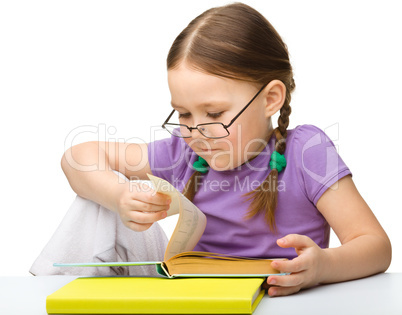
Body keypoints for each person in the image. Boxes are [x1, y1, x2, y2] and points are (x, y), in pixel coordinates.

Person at [31, 2, 391, 296]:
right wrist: (120, 195)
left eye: (214, 113)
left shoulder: (306, 151)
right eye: (184, 113)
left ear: (271, 99)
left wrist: (322, 267)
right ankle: (46, 297)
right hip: (189, 294)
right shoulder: (184, 152)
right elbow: (77, 157)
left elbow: (375, 245)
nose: (195, 131)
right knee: (97, 199)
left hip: (278, 298)